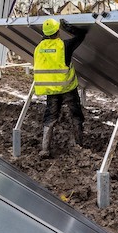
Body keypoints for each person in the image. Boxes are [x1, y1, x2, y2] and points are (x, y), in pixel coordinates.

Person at [33, 17, 87, 157]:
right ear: (57, 31)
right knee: (76, 115)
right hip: (67, 88)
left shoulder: (39, 48)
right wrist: (67, 27)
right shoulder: (64, 46)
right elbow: (81, 35)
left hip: (51, 90)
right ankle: (79, 144)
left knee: (50, 117)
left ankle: (45, 149)